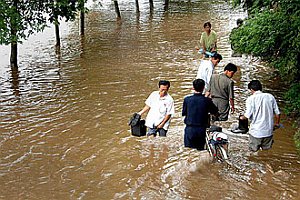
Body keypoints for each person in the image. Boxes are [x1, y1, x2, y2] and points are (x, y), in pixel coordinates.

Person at [240, 80, 280, 152]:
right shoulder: (270, 97)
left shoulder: (250, 99)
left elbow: (247, 115)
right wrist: (276, 124)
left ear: (251, 89)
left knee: (253, 152)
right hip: (268, 132)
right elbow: (277, 113)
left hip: (256, 132)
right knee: (266, 152)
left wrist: (241, 117)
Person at [182, 79, 218, 150]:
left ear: (193, 87)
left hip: (189, 129)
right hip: (201, 129)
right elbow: (215, 111)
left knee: (189, 151)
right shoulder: (207, 101)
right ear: (203, 87)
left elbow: (184, 113)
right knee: (200, 150)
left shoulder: (187, 99)